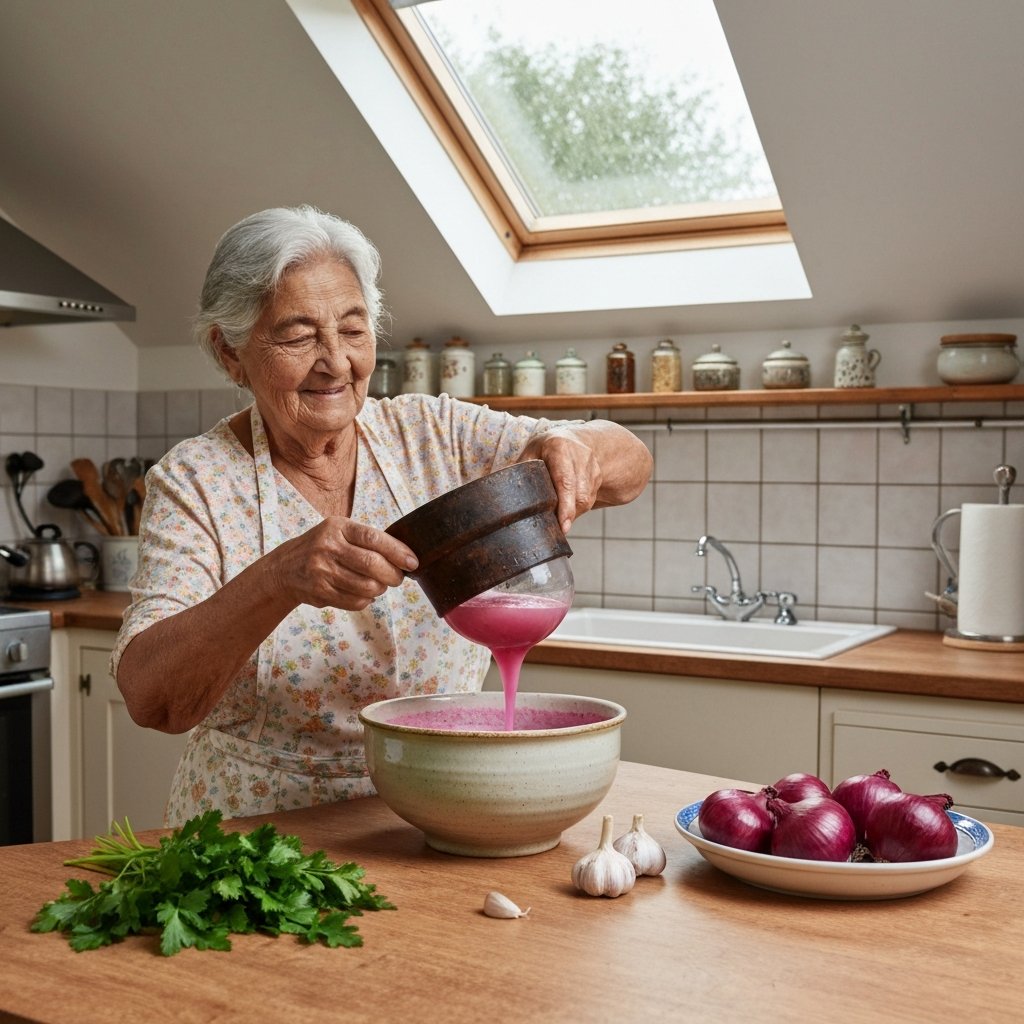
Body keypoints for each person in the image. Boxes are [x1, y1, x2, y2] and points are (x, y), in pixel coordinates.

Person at [112, 205, 652, 825]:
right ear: (230, 352)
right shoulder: (195, 481)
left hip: (440, 809)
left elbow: (631, 465)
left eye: (353, 329)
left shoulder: (432, 433)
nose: (336, 362)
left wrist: (575, 443)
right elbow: (153, 699)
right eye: (298, 337)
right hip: (257, 828)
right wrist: (278, 579)